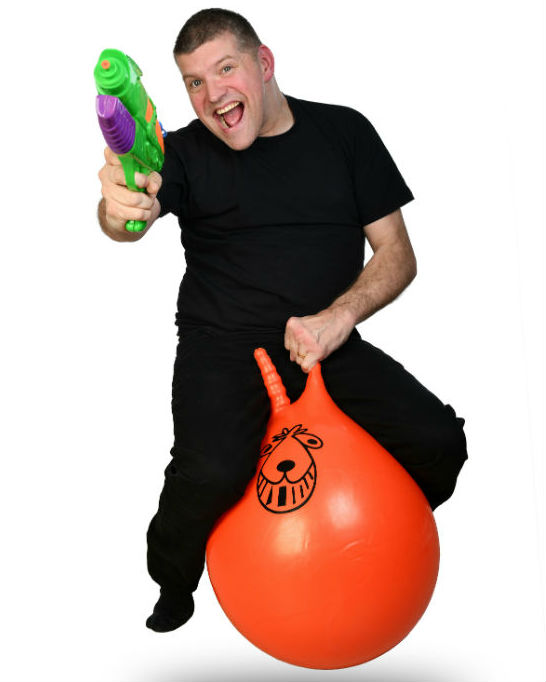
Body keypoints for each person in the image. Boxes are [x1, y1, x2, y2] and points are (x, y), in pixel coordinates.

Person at [97, 8, 468, 633]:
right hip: (223, 346)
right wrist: (118, 206)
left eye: (225, 69)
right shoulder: (181, 153)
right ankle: (173, 581)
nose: (212, 96)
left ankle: (370, 540)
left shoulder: (345, 133)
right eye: (193, 82)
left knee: (440, 444)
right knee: (210, 471)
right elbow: (128, 219)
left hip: (322, 339)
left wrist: (337, 318)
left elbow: (398, 256)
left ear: (263, 64)